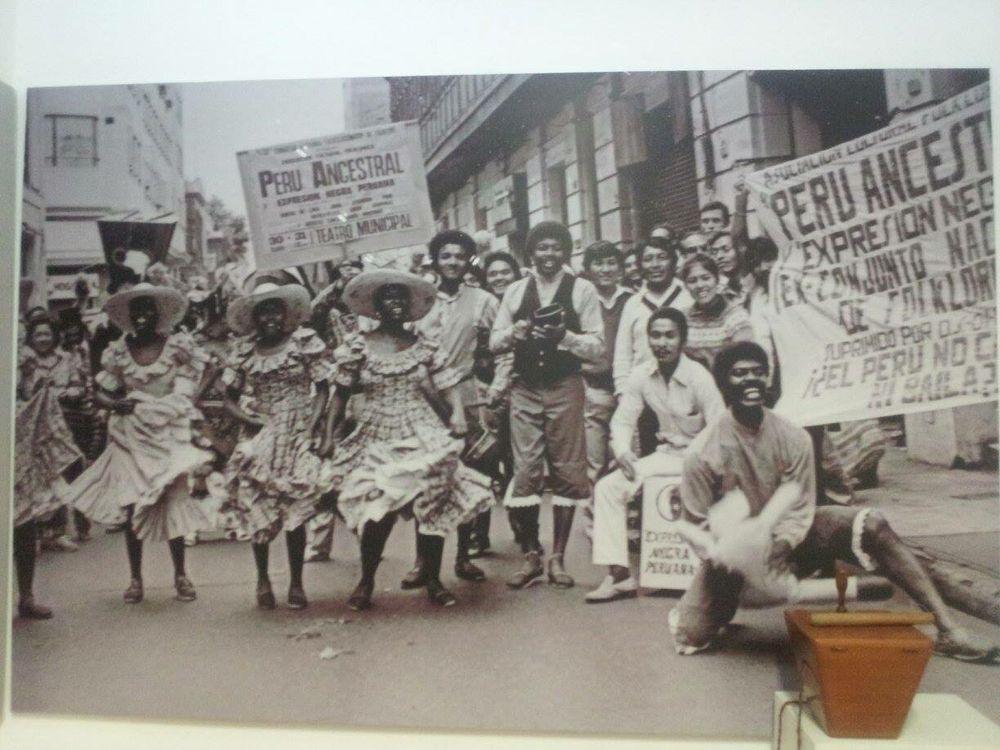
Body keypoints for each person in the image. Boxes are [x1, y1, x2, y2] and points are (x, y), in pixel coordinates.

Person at [668, 341, 1000, 663]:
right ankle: (699, 608)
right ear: (724, 383)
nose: (751, 379)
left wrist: (781, 545)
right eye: (740, 373)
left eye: (758, 372)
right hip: (734, 559)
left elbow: (800, 507)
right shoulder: (702, 452)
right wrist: (740, 558)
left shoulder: (793, 436)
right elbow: (696, 524)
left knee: (872, 524)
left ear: (767, 378)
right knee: (692, 635)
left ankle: (949, 630)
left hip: (790, 541)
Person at [320, 270, 493, 610]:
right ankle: (366, 579)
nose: (396, 303)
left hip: (420, 425)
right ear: (377, 306)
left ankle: (433, 578)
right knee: (377, 510)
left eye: (401, 298)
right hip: (377, 429)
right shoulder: (358, 345)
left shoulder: (424, 346)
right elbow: (339, 395)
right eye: (388, 298)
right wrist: (328, 434)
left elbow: (446, 381)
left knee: (432, 502)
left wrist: (457, 414)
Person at [66, 283, 214, 604]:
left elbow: (203, 372)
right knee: (132, 504)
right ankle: (136, 579)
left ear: (158, 314)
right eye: (137, 311)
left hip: (167, 434)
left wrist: (185, 402)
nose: (143, 316)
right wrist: (115, 404)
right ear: (130, 317)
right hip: (131, 436)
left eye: (148, 310)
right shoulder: (119, 350)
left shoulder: (176, 346)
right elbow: (102, 391)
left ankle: (181, 575)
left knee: (173, 501)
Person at [490, 220, 604, 589]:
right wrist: (515, 333)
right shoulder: (516, 290)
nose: (549, 255)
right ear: (531, 253)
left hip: (565, 385)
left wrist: (565, 337)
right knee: (525, 472)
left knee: (568, 470)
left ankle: (557, 557)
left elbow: (597, 344)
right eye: (542, 248)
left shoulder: (582, 289)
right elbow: (494, 342)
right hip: (524, 386)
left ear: (566, 251)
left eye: (556, 248)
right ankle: (531, 554)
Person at [586, 308, 724, 602]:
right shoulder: (642, 374)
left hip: (703, 461)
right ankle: (619, 575)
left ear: (682, 339)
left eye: (670, 335)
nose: (662, 342)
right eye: (656, 335)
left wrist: (700, 466)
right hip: (667, 455)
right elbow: (623, 420)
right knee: (608, 488)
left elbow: (719, 430)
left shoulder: (699, 377)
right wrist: (622, 451)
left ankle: (711, 578)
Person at [221, 278, 331, 610]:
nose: (270, 319)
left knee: (295, 509)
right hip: (262, 433)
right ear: (254, 318)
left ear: (286, 314)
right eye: (262, 312)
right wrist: (248, 418)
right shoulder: (244, 351)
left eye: (276, 311)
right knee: (259, 505)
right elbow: (227, 397)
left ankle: (296, 582)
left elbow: (325, 386)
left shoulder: (305, 342)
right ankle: (263, 579)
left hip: (298, 430)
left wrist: (313, 425)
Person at [408, 230, 505, 584]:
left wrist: (496, 386)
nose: (453, 262)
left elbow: (501, 348)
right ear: (436, 259)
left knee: (467, 475)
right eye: (446, 256)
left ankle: (464, 557)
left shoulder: (483, 300)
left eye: (459, 256)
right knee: (426, 479)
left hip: (465, 397)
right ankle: (421, 561)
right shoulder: (419, 299)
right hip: (422, 398)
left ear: (469, 261)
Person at [13, 309, 86, 618]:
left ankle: (27, 597)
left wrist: (31, 382)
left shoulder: (26, 362)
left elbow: (28, 398)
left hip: (18, 445)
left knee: (24, 523)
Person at [612, 238, 692, 399]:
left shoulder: (689, 296)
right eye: (648, 259)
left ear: (673, 261)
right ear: (640, 266)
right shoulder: (633, 304)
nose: (655, 265)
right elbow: (623, 355)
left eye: (662, 257)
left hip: (686, 388)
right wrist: (622, 392)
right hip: (644, 392)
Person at [580, 240, 632, 482]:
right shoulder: (582, 302)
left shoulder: (632, 300)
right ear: (588, 270)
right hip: (593, 390)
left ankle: (631, 517)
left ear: (621, 269)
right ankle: (597, 518)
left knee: (628, 456)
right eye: (598, 263)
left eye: (612, 263)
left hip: (629, 391)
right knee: (595, 462)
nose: (605, 269)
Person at [679, 253, 754, 372]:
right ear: (686, 285)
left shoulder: (737, 317)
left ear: (717, 279)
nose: (700, 285)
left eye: (706, 278)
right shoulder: (682, 318)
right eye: (692, 281)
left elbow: (743, 362)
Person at [707, 231, 747, 304]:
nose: (719, 256)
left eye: (726, 249)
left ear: (740, 249)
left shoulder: (755, 279)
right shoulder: (715, 292)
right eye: (714, 252)